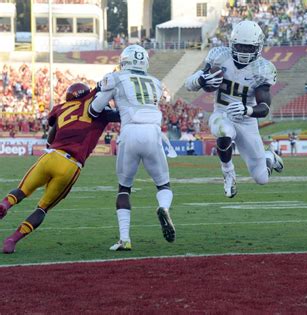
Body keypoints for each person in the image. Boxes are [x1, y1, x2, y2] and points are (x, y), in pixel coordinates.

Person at [0, 83, 120, 254]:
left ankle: (5, 204)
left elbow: (52, 131)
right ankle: (12, 239)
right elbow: (119, 116)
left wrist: (50, 145)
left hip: (51, 156)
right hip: (70, 164)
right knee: (42, 208)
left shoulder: (61, 108)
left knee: (22, 190)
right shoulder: (96, 107)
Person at [184, 20, 283, 198]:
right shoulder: (219, 57)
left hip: (247, 121)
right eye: (240, 46)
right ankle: (228, 172)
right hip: (222, 113)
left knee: (262, 178)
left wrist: (247, 110)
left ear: (258, 47)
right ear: (232, 43)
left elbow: (265, 108)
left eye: (248, 48)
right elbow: (189, 85)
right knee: (224, 131)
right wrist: (201, 80)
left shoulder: (262, 69)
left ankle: (270, 158)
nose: (244, 52)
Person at [90, 44, 175, 251]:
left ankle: (125, 239)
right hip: (154, 132)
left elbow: (95, 110)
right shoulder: (156, 82)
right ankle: (163, 207)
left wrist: (102, 96)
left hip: (130, 133)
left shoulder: (116, 77)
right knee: (163, 186)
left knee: (124, 189)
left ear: (124, 61)